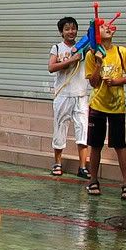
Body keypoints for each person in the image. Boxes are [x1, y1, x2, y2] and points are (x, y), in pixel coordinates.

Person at [84, 20, 126, 199]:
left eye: (108, 26)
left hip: (117, 106)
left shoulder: (122, 52)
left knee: (120, 145)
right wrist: (98, 63)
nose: (108, 27)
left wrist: (115, 82)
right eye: (102, 27)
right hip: (97, 105)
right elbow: (93, 82)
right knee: (95, 145)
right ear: (96, 35)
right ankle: (93, 180)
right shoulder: (91, 55)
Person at [48, 17, 90, 178]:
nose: (71, 31)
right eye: (67, 29)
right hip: (63, 95)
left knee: (83, 130)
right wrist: (71, 60)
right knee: (60, 128)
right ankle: (57, 164)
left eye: (73, 28)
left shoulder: (83, 48)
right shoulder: (57, 48)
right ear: (61, 32)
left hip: (81, 96)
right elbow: (51, 67)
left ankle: (82, 166)